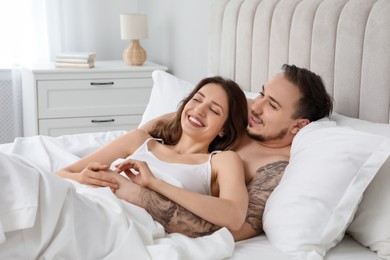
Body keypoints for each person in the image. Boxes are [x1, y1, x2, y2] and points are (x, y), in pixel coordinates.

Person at [131, 64, 333, 241]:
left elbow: (232, 228)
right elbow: (163, 126)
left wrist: (139, 196)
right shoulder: (246, 110)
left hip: (144, 204)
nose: (257, 106)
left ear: (298, 126)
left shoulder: (273, 167)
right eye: (262, 94)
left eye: (272, 105)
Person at [57, 76, 250, 232]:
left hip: (124, 225)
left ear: (224, 129)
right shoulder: (139, 140)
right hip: (89, 203)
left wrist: (155, 183)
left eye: (214, 110)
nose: (199, 110)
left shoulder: (222, 160)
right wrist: (82, 178)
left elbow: (234, 216)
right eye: (197, 99)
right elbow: (62, 173)